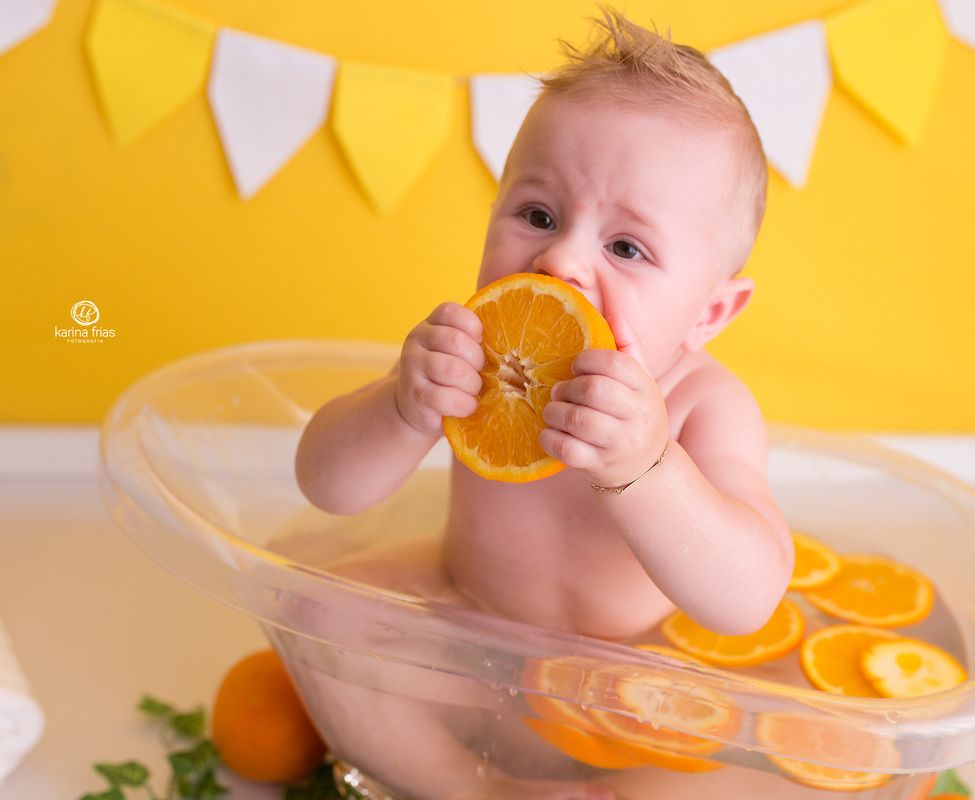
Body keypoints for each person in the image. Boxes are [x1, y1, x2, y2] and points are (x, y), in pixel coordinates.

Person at [293, 10, 793, 798]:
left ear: (709, 314)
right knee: (316, 616)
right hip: (469, 617)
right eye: (537, 215)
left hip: (640, 671)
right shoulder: (473, 355)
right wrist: (401, 406)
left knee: (755, 762)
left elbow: (750, 595)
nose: (559, 258)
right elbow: (324, 485)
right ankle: (469, 788)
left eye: (626, 247)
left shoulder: (704, 405)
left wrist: (650, 467)